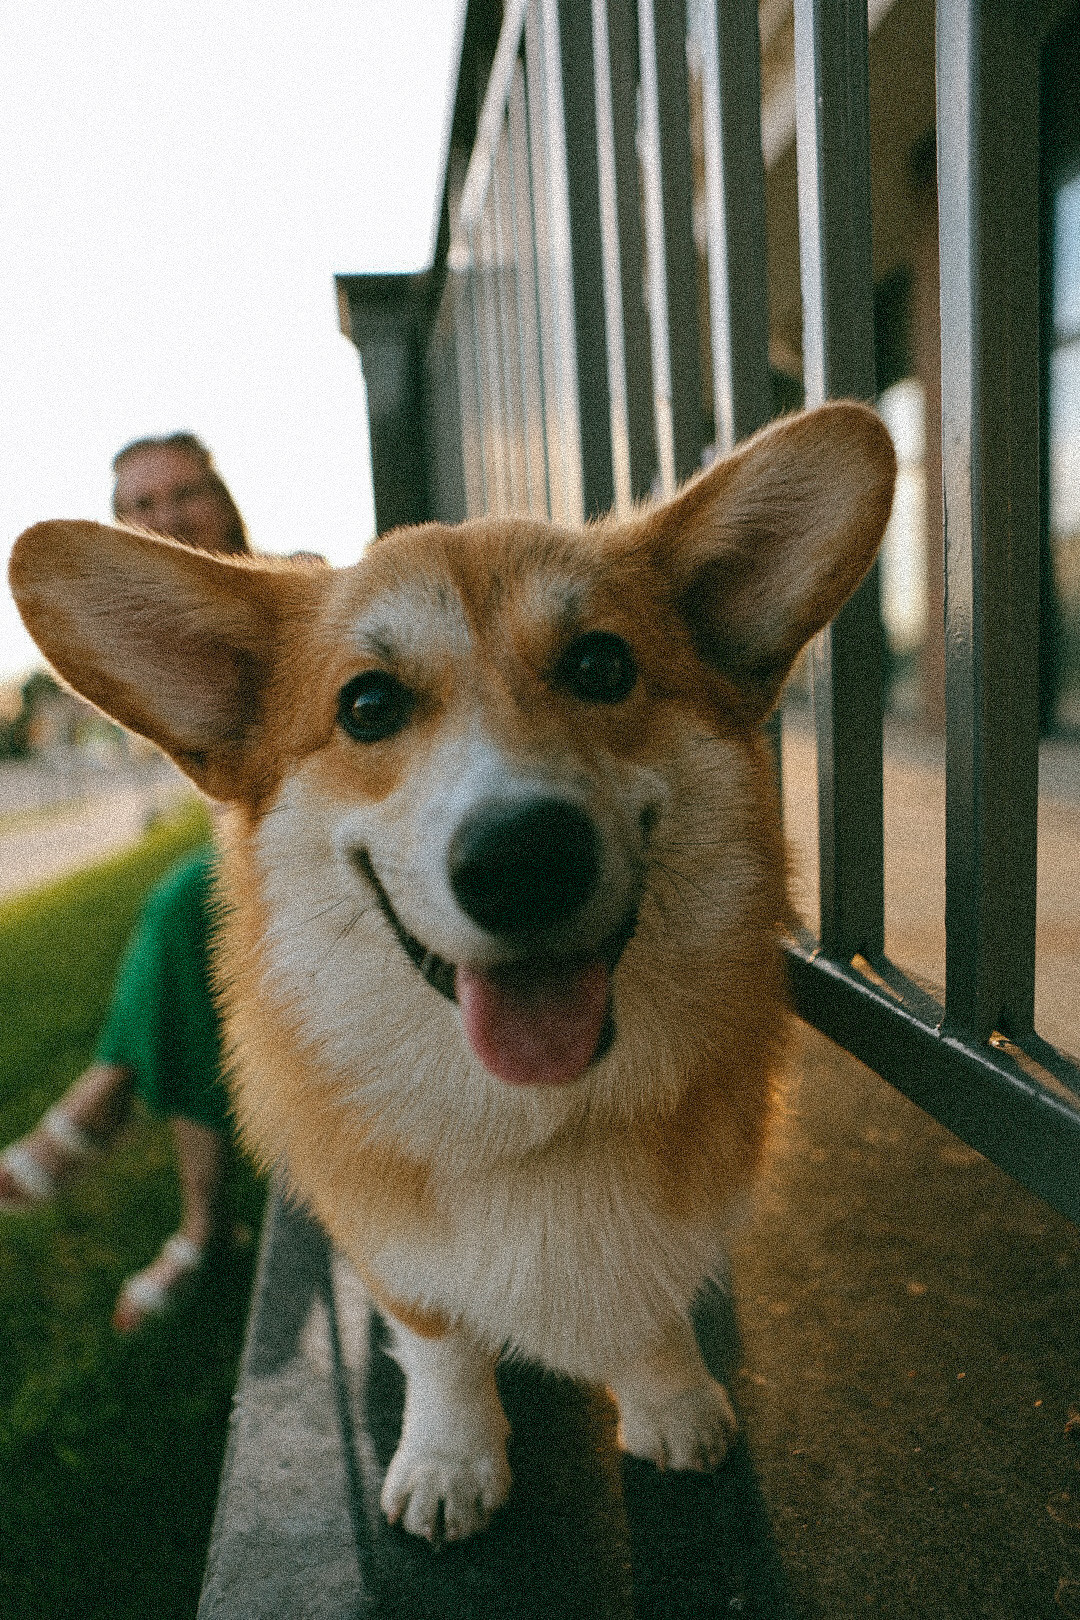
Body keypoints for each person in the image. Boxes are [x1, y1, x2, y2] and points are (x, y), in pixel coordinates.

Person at [0, 433, 248, 1331]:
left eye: (182, 494)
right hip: (262, 866)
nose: (164, 518)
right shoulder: (146, 643)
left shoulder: (291, 592)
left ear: (223, 504)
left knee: (190, 906)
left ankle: (114, 1113)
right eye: (138, 508)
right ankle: (196, 1217)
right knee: (199, 929)